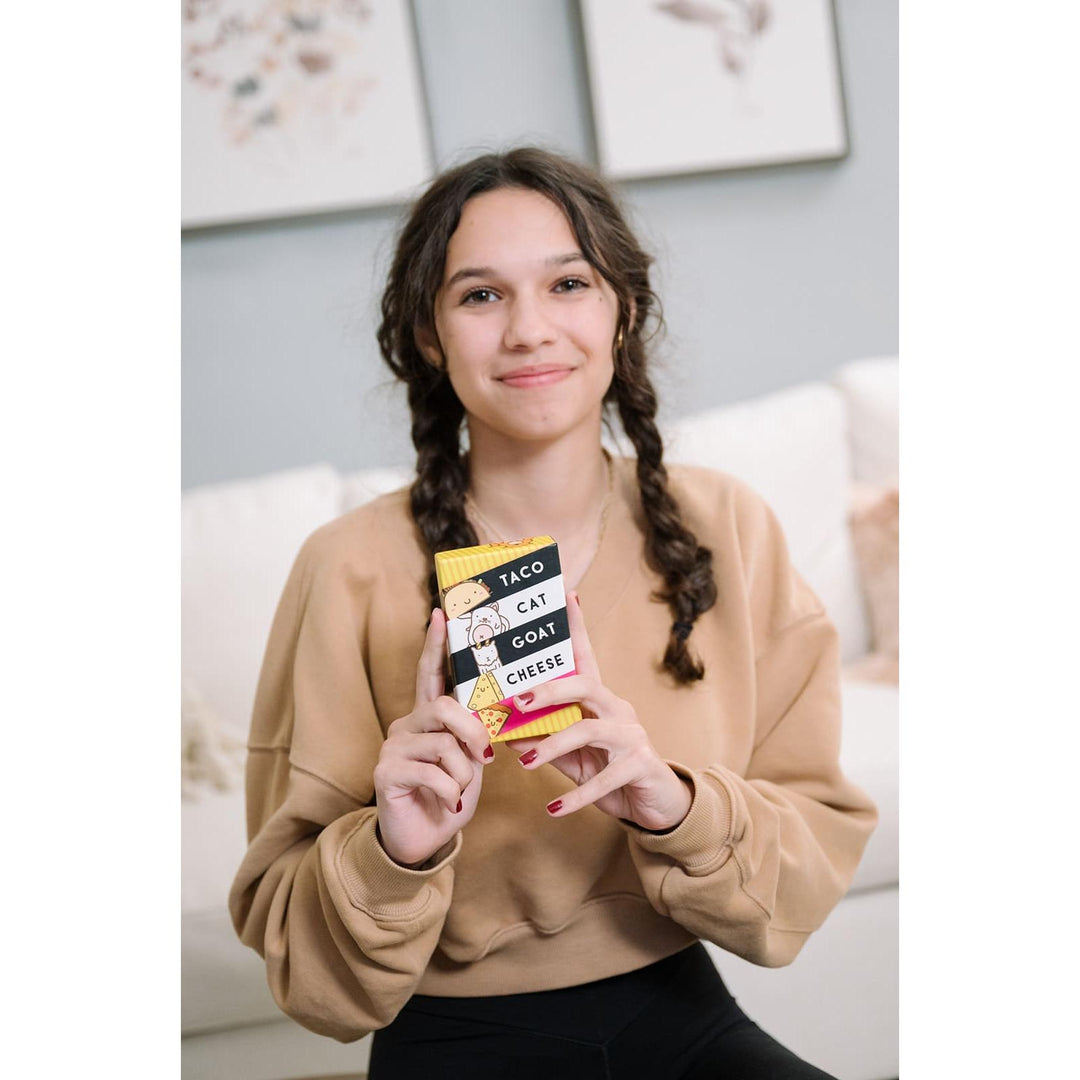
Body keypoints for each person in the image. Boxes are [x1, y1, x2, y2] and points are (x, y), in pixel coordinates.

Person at [229, 147, 878, 1079]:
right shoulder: (348, 570)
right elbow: (307, 973)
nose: (530, 329)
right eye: (481, 296)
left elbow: (813, 846)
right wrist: (394, 850)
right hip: (452, 1036)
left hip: (681, 1009)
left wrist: (675, 805)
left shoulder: (725, 525)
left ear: (622, 312)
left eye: (568, 283)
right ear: (427, 334)